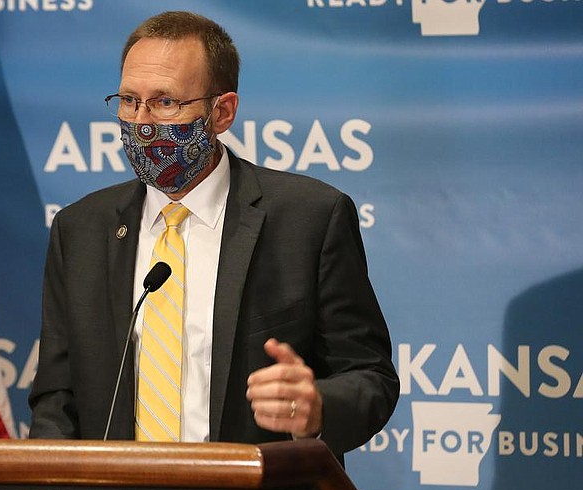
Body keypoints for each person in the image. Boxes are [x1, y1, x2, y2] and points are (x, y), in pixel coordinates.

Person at [29, 10, 399, 463]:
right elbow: (56, 401)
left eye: (165, 102)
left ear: (221, 112)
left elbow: (370, 376)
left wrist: (319, 408)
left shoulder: (309, 219)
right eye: (129, 100)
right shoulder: (81, 230)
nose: (142, 123)